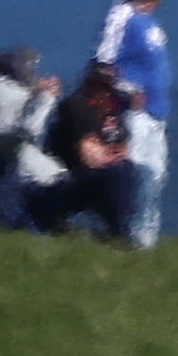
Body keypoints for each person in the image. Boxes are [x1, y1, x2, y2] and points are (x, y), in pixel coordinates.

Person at [93, 0, 171, 249]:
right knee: (136, 174)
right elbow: (102, 63)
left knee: (155, 176)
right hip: (133, 113)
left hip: (157, 112)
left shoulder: (148, 21)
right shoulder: (121, 16)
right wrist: (127, 90)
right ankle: (126, 234)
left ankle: (145, 240)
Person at [0, 47, 66, 230]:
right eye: (26, 67)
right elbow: (29, 130)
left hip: (15, 174)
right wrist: (46, 98)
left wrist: (38, 91)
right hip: (4, 178)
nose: (31, 72)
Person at [39, 63, 139, 240]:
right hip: (68, 179)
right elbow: (89, 156)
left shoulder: (114, 115)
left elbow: (122, 148)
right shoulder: (77, 106)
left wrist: (108, 153)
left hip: (104, 173)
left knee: (126, 170)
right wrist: (109, 154)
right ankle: (119, 233)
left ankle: (119, 231)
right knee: (118, 172)